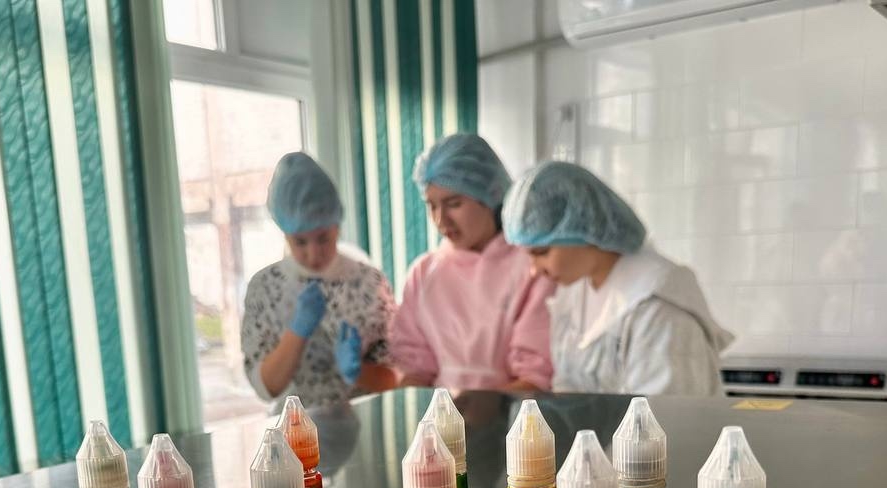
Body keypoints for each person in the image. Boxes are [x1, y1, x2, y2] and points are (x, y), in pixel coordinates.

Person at [504, 160, 733, 396]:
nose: (534, 271)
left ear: (581, 230)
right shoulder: (574, 294)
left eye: (541, 252)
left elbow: (666, 413)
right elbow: (567, 386)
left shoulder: (658, 309)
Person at [391, 133, 553, 392]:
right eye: (431, 206)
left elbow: (536, 376)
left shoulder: (533, 266)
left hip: (514, 414)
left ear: (491, 196)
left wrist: (485, 411)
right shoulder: (423, 273)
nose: (441, 220)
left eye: (453, 204)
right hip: (441, 415)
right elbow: (413, 370)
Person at [242, 152, 398, 409]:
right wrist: (297, 332)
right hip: (293, 427)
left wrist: (357, 371)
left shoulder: (370, 283)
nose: (314, 254)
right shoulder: (265, 287)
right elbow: (266, 388)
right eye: (300, 242)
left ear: (337, 226)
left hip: (363, 422)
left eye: (323, 238)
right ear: (284, 233)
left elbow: (396, 378)